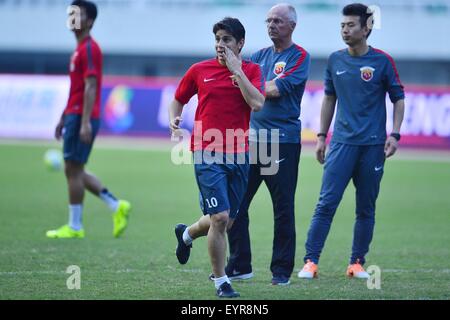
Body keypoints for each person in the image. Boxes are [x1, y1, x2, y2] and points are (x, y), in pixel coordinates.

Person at [298, 3, 405, 279]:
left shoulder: (382, 61)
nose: (345, 30)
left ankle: (356, 263)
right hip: (341, 144)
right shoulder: (335, 60)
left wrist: (394, 134)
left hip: (372, 147)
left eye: (350, 25)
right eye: (342, 26)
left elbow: (398, 99)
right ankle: (310, 262)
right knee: (326, 203)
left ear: (366, 28)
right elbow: (329, 99)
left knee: (365, 208)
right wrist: (321, 136)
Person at [169, 17, 265, 298]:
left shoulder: (252, 70)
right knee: (220, 217)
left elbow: (257, 103)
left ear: (240, 44)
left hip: (240, 153)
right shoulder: (200, 70)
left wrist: (239, 73)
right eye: (218, 40)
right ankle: (221, 281)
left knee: (224, 221)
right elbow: (179, 98)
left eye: (227, 40)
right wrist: (174, 118)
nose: (220, 45)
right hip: (207, 151)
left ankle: (186, 234)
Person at [225, 3, 310, 286]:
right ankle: (239, 265)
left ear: (292, 26)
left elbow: (272, 89)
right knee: (235, 204)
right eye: (269, 20)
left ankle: (281, 271)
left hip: (281, 142)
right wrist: (239, 76)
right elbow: (237, 87)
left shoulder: (299, 57)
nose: (271, 25)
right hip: (251, 140)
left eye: (278, 21)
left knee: (282, 208)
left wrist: (243, 80)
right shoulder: (258, 55)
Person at [46, 0, 131, 239]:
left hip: (82, 116)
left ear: (90, 21)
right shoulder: (79, 49)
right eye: (70, 14)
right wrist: (64, 116)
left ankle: (75, 227)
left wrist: (83, 121)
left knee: (72, 170)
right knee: (75, 168)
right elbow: (77, 88)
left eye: (78, 14)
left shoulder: (90, 49)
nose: (72, 18)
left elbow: (91, 86)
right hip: (74, 114)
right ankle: (116, 205)